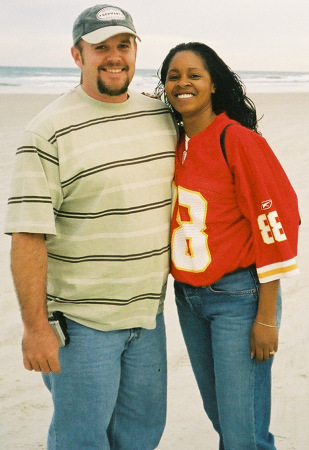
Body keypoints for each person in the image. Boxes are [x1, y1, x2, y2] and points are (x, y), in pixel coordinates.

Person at [5, 5, 177, 449]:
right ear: (77, 55)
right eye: (100, 47)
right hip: (82, 327)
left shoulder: (160, 117)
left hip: (148, 318)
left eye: (124, 45)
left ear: (136, 51)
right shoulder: (47, 131)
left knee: (141, 438)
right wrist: (35, 328)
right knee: (81, 441)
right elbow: (28, 235)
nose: (114, 56)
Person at [155, 42, 300, 449]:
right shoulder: (173, 141)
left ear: (214, 84)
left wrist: (267, 317)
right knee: (225, 420)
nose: (183, 83)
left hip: (239, 299)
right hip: (189, 300)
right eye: (173, 76)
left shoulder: (236, 140)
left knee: (243, 434)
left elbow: (278, 224)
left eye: (194, 75)